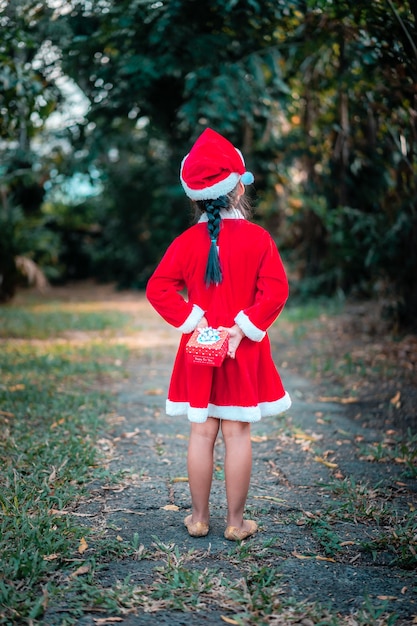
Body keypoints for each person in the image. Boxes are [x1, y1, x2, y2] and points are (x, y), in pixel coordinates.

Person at [146, 128, 291, 541]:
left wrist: (196, 321)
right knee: (237, 432)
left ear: (195, 196)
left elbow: (159, 288)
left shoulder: (187, 242)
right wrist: (243, 328)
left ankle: (198, 518)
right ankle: (235, 523)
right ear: (238, 191)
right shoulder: (259, 239)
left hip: (200, 350)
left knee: (201, 431)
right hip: (242, 351)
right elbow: (276, 291)